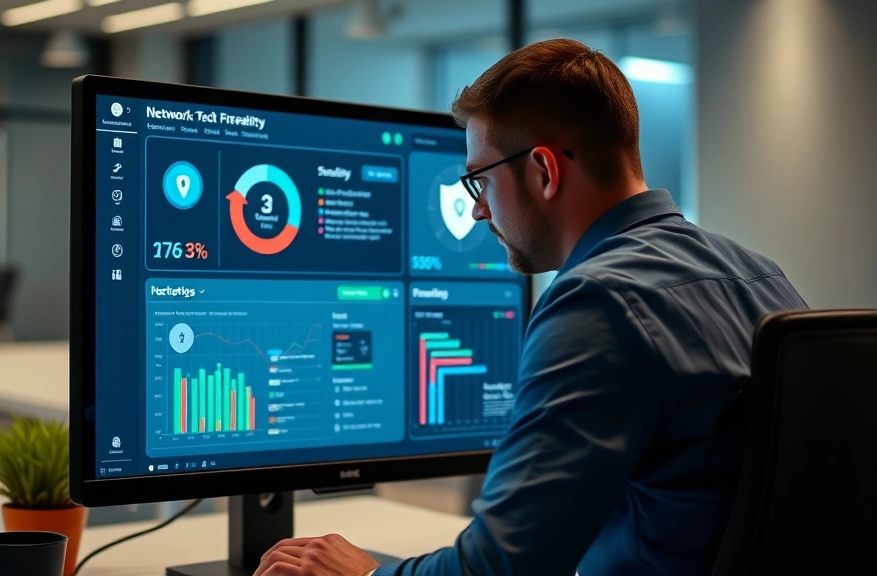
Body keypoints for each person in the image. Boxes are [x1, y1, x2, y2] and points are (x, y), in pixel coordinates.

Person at [254, 39, 807, 576]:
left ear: (544, 170)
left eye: (480, 181)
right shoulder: (760, 275)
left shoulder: (598, 302)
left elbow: (504, 565)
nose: (477, 212)